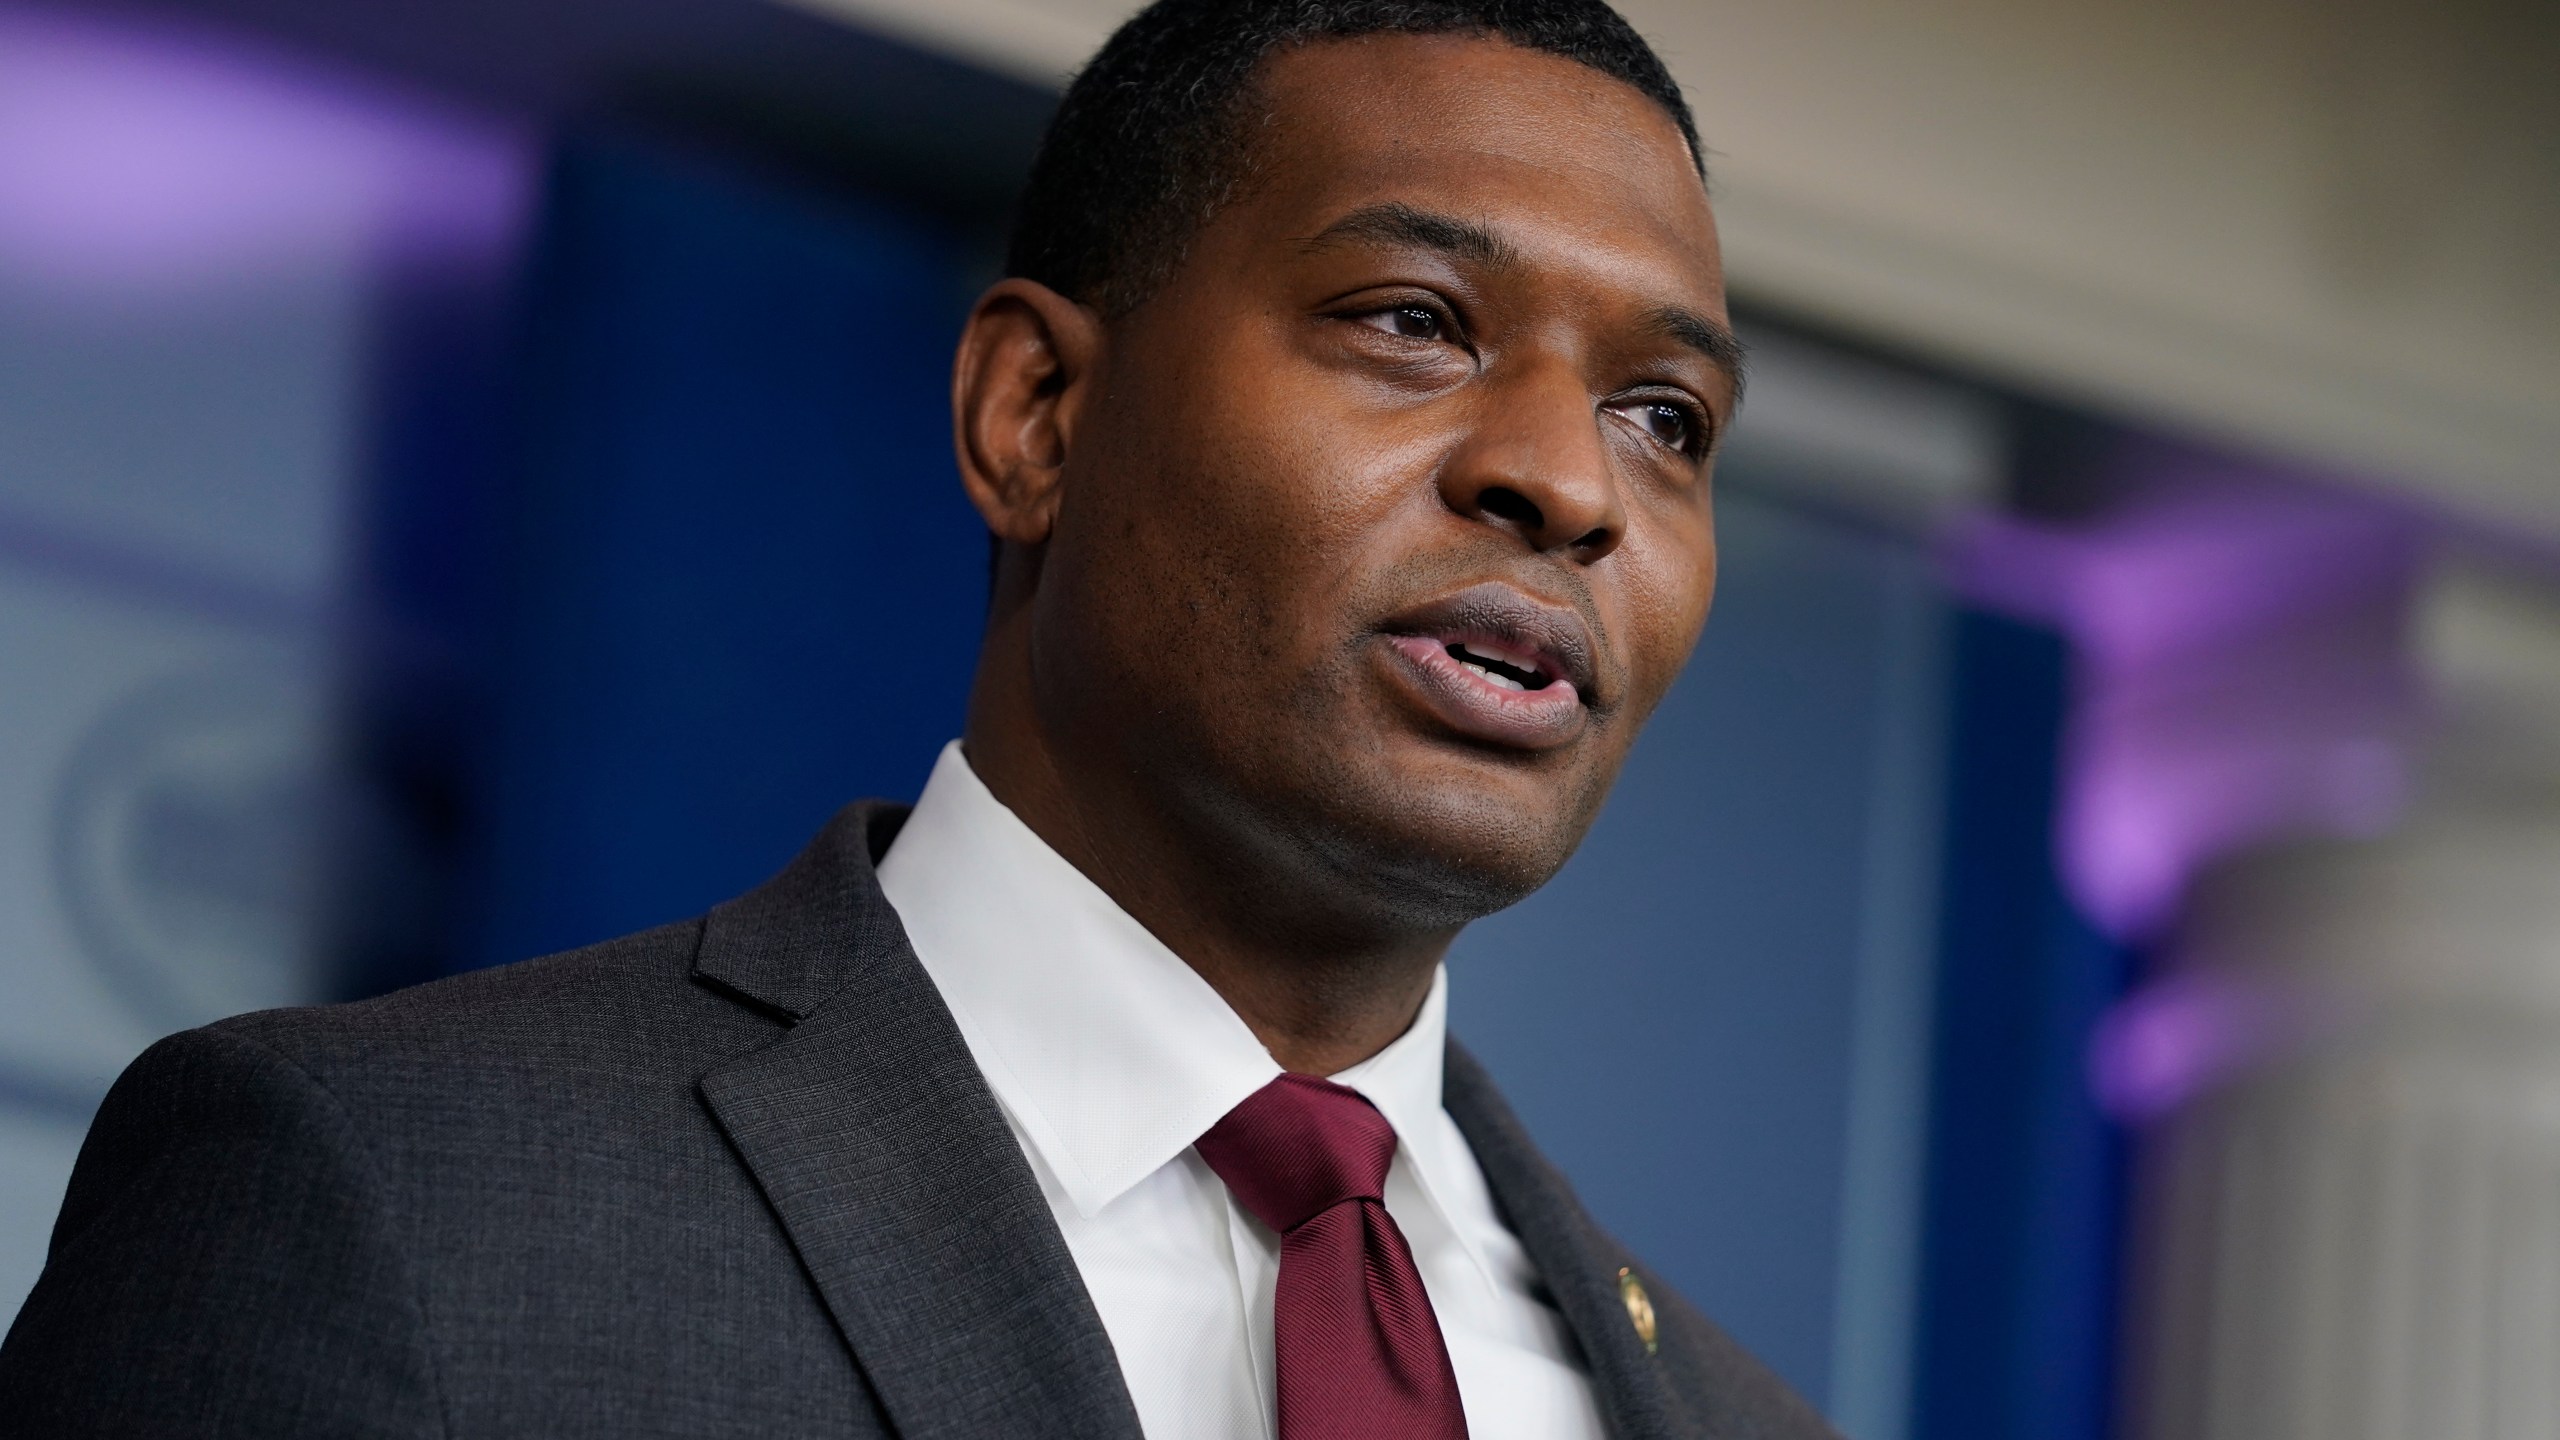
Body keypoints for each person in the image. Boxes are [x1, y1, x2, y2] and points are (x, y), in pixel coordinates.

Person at [0, 1, 1834, 1435]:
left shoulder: (1747, 1425)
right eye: (1415, 320)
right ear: (1034, 414)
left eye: (1664, 417)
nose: (1562, 483)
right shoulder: (388, 1203)